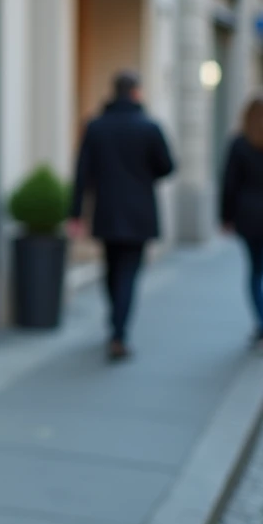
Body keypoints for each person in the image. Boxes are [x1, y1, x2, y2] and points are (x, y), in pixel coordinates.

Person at [69, 70, 175, 361]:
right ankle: (119, 331)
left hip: (107, 209)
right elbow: (167, 166)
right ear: (136, 93)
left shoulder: (96, 126)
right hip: (139, 211)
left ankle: (115, 323)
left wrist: (75, 213)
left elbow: (82, 173)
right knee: (129, 271)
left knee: (112, 268)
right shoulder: (149, 127)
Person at [220, 92, 263, 355]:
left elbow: (228, 185)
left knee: (255, 271)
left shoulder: (239, 144)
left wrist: (225, 217)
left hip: (249, 216)